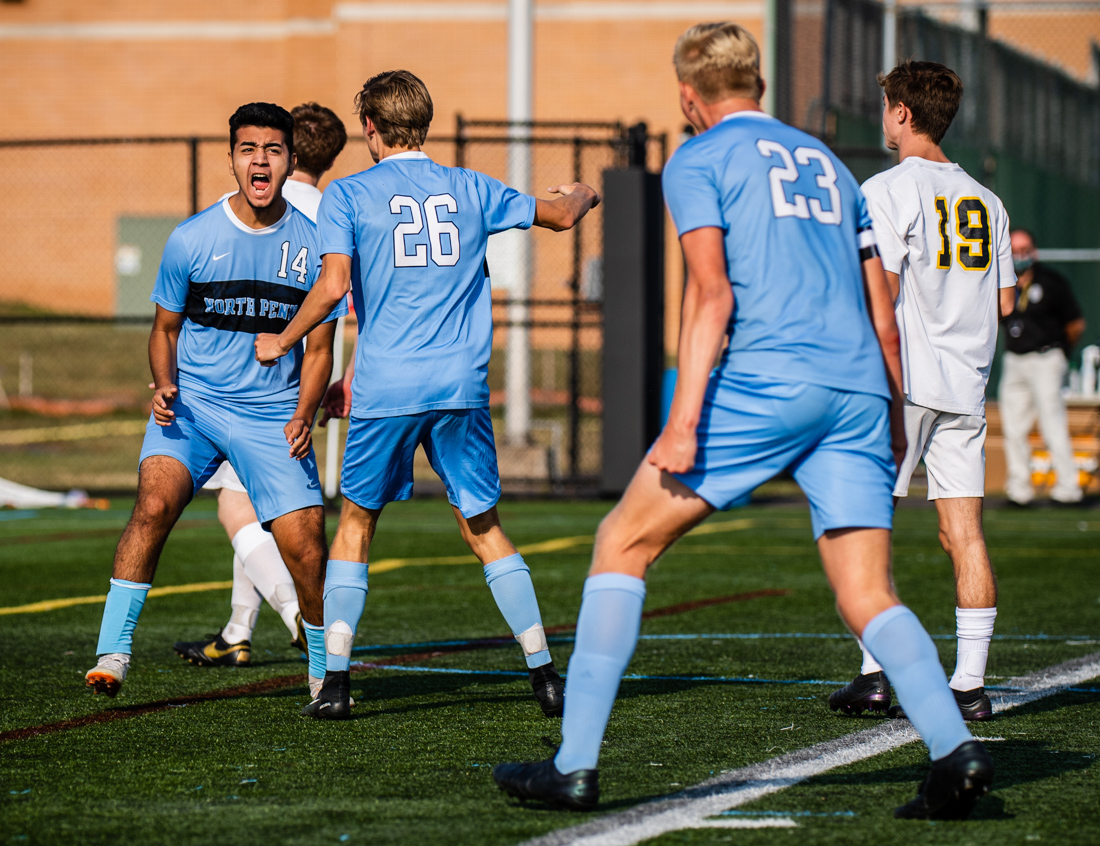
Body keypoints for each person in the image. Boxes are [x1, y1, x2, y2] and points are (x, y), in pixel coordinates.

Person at [492, 23, 992, 819]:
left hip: (770, 379)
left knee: (621, 541)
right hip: (860, 386)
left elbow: (712, 296)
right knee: (866, 589)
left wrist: (682, 418)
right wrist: (893, 412)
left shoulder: (700, 157)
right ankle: (953, 752)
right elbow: (882, 313)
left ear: (689, 96)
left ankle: (574, 766)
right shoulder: (830, 163)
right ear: (758, 84)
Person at [254, 70, 601, 721]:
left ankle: (334, 685)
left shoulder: (349, 194)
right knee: (485, 527)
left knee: (357, 526)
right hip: (459, 386)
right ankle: (545, 675)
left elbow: (331, 290)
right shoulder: (471, 187)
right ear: (425, 123)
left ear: (371, 129)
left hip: (387, 387)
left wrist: (282, 339)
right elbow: (559, 214)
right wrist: (583, 191)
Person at [85, 102, 345, 697]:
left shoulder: (315, 248)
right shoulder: (191, 238)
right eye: (249, 149)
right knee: (153, 506)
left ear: (289, 159)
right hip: (195, 409)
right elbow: (164, 330)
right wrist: (165, 382)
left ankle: (321, 669)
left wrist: (304, 413)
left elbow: (322, 350)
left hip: (272, 415)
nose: (260, 160)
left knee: (306, 545)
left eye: (273, 150)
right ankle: (113, 652)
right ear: (232, 158)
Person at [827, 61, 1017, 725]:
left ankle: (875, 672)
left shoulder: (887, 188)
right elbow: (1005, 299)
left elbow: (877, 285)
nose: (885, 117)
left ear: (904, 113)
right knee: (963, 532)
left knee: (862, 521)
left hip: (904, 381)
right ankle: (970, 685)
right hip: (967, 385)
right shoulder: (987, 202)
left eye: (887, 107)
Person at [173, 102, 349, 671]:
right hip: (312, 381)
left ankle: (296, 613)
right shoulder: (334, 210)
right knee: (275, 511)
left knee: (236, 506)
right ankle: (237, 629)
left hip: (254, 388)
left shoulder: (271, 205)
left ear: (291, 150)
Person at [1000, 228, 1086, 506]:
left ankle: (1067, 489)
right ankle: (1019, 490)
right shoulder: (1002, 282)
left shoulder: (1051, 282)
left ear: (1034, 251)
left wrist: (1062, 353)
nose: (1020, 256)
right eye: (1014, 250)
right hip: (1015, 360)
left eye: (1025, 249)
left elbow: (1075, 324)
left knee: (1052, 424)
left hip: (1046, 358)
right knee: (1013, 428)